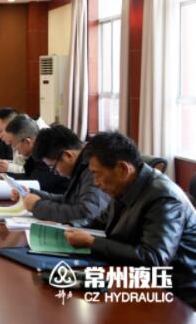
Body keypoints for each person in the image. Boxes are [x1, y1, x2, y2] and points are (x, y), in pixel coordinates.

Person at [65, 132, 196, 308]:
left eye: (98, 174)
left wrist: (91, 242)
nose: (95, 182)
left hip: (173, 295)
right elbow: (100, 220)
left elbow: (153, 258)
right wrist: (67, 227)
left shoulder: (164, 198)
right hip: (132, 278)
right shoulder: (126, 185)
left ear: (122, 169)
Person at [10, 124, 110, 223]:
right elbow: (69, 200)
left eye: (52, 167)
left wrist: (37, 206)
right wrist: (32, 193)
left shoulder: (93, 169)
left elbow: (86, 214)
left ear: (67, 156)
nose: (55, 173)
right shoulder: (81, 165)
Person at [3, 114, 69, 194]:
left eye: (13, 144)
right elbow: (26, 176)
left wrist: (5, 180)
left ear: (27, 142)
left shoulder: (46, 153)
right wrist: (5, 178)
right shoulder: (33, 154)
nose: (14, 149)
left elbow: (33, 185)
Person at [0, 107, 24, 174]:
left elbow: (34, 172)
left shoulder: (29, 140)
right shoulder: (13, 141)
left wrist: (9, 167)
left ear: (12, 127)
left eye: (1, 131)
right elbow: (18, 164)